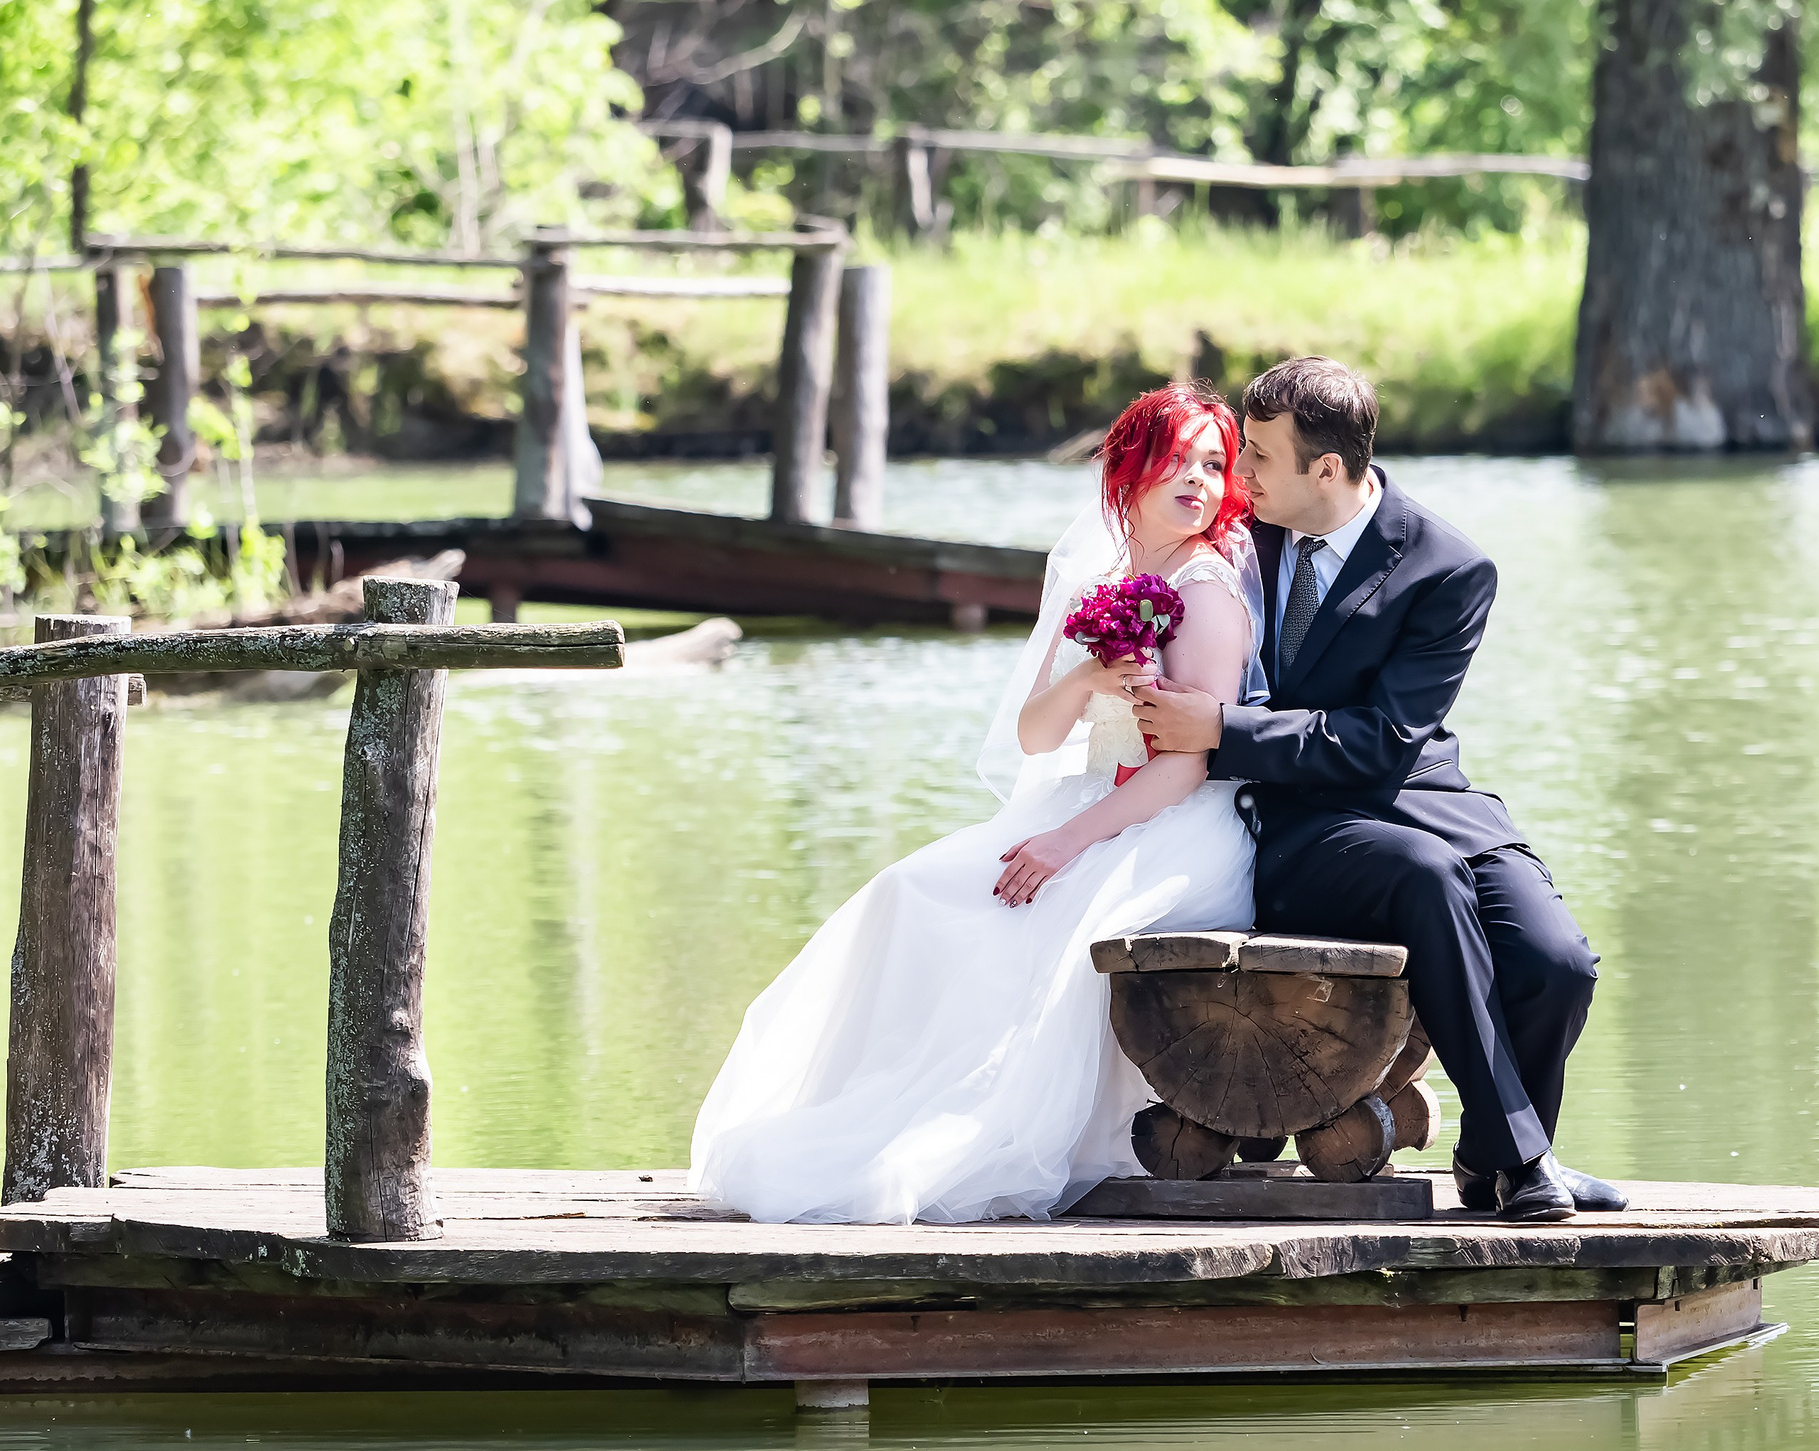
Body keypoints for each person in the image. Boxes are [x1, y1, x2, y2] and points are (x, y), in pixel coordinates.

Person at [689, 384, 1261, 1224]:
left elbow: (1189, 766)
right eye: (1177, 460)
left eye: (1215, 465)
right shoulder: (1104, 585)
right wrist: (1088, 677)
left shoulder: (1207, 592)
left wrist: (1065, 843)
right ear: (1128, 468)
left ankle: (978, 1128)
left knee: (1044, 918)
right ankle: (877, 1114)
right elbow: (1035, 736)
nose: (1199, 481)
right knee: (909, 890)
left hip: (1177, 820)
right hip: (1091, 793)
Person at [1134, 356, 1625, 1222]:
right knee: (1422, 879)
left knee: (1559, 964)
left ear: (1327, 469)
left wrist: (1220, 729)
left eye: (1258, 457)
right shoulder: (1243, 534)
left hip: (1420, 797)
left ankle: (1491, 1156)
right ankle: (1530, 1166)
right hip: (1295, 821)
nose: (1238, 475)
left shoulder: (1449, 570)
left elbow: (1384, 741)